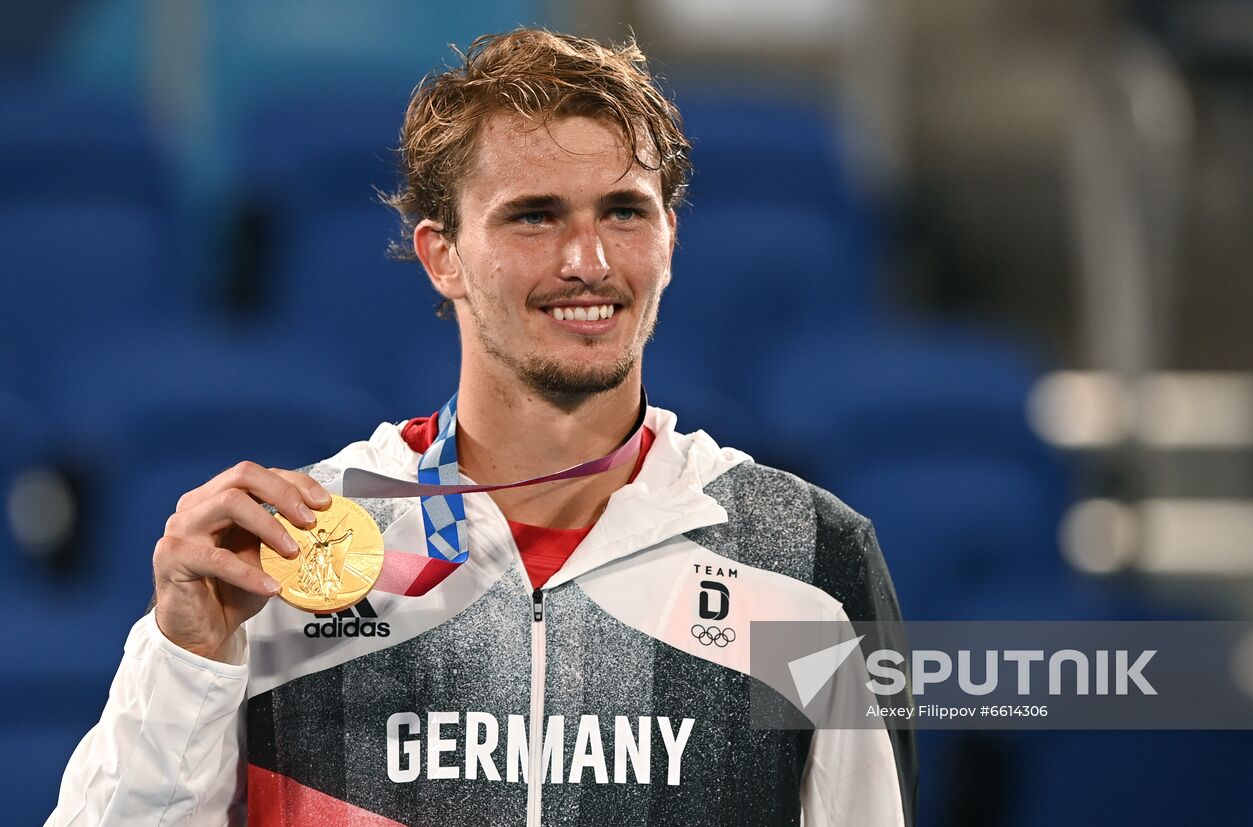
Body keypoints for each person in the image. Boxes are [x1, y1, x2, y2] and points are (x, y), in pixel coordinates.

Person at [49, 28, 916, 826]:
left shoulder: (806, 559)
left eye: (624, 210)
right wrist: (186, 658)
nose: (589, 261)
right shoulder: (284, 554)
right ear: (442, 255)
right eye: (534, 215)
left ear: (670, 236)